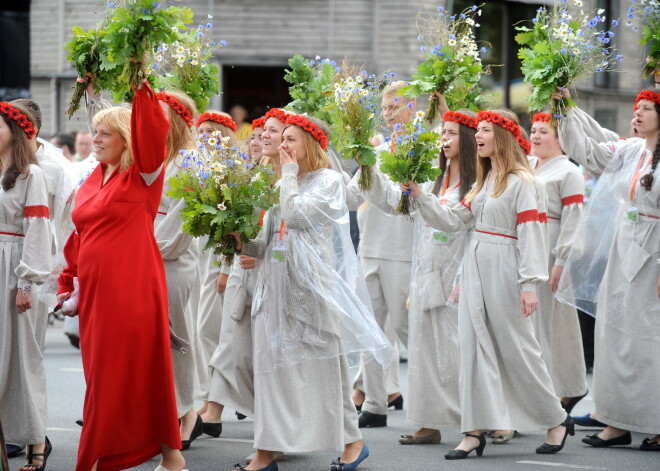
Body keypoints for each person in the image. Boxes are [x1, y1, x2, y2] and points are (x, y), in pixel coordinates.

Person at [405, 109, 572, 459]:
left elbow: (531, 235)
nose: (476, 136)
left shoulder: (525, 182)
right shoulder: (483, 182)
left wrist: (529, 284)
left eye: (484, 131)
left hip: (506, 267)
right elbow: (453, 221)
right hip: (476, 264)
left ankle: (556, 419)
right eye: (476, 130)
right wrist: (420, 195)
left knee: (518, 349)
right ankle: (473, 431)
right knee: (472, 349)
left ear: (503, 137)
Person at [233, 113, 392, 471]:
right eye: (282, 138)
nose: (283, 145)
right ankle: (266, 450)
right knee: (271, 370)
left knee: (325, 369)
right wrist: (246, 247)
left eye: (291, 139)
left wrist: (286, 174)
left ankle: (353, 443)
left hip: (310, 287)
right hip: (273, 285)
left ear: (311, 144)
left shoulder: (329, 180)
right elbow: (272, 233)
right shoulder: (279, 181)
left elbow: (299, 216)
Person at [57, 81, 186, 471]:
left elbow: (152, 131)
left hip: (131, 287)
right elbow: (81, 236)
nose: (94, 138)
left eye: (104, 133)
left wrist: (139, 83)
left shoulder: (143, 174)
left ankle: (96, 458)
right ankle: (171, 455)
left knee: (118, 374)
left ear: (126, 139)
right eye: (93, 131)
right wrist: (69, 281)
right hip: (97, 290)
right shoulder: (95, 177)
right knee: (111, 372)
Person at [365, 108, 478, 445]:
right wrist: (367, 167)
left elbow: (452, 221)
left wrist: (419, 194)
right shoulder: (433, 177)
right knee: (425, 350)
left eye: (452, 133)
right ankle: (428, 422)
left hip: (460, 275)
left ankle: (479, 420)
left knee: (460, 349)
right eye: (442, 133)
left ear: (470, 140)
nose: (444, 139)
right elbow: (393, 204)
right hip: (427, 271)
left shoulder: (479, 181)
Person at [556, 88, 660, 451]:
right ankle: (617, 420)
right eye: (636, 108)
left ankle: (655, 421)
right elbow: (587, 148)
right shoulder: (631, 149)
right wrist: (564, 108)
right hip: (623, 249)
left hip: (653, 255)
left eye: (647, 109)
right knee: (614, 334)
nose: (637, 114)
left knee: (649, 340)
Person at [200, 108, 289, 456]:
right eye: (256, 134)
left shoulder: (287, 178)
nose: (259, 139)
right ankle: (254, 420)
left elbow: (280, 232)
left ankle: (271, 434)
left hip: (268, 275)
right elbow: (242, 230)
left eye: (269, 132)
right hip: (244, 271)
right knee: (237, 354)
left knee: (260, 357)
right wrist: (236, 255)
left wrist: (249, 254)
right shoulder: (251, 175)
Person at [349, 81, 414, 428]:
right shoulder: (378, 148)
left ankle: (434, 405)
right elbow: (349, 196)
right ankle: (374, 403)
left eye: (394, 107)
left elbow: (398, 203)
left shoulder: (423, 145)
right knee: (369, 331)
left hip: (403, 250)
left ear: (412, 105)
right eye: (385, 108)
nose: (388, 114)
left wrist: (371, 166)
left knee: (410, 333)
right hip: (370, 248)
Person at [0, 101, 52, 471]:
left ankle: (35, 443)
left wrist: (26, 283)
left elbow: (37, 231)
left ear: (14, 131)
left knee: (23, 359)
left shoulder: (32, 174)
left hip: (15, 264)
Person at [153, 90, 202, 450]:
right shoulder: (160, 156)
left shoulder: (190, 160)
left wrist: (153, 246)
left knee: (177, 337)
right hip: (148, 250)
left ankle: (187, 411)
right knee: (156, 340)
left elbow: (185, 216)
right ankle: (164, 408)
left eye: (160, 114)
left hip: (173, 257)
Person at [189, 111, 238, 417]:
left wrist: (225, 266)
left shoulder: (231, 169)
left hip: (216, 255)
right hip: (195, 256)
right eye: (201, 130)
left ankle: (214, 403)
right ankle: (206, 397)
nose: (205, 136)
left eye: (211, 130)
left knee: (211, 330)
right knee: (198, 331)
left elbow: (234, 221)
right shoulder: (197, 163)